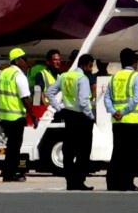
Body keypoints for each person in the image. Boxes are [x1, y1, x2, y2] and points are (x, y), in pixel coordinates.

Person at [47, 54, 96, 190]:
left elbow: (49, 93)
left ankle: (70, 181)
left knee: (69, 150)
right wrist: (91, 117)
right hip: (82, 118)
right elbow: (84, 102)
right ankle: (79, 181)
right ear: (84, 65)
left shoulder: (64, 76)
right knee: (83, 151)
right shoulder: (82, 79)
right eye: (90, 66)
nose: (91, 69)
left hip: (68, 115)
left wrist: (58, 109)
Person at [103, 47, 138, 191]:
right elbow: (136, 99)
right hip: (133, 122)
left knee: (118, 153)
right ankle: (127, 182)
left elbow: (107, 98)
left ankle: (112, 182)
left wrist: (114, 111)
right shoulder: (137, 77)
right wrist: (123, 111)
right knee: (132, 155)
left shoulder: (114, 77)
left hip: (118, 122)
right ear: (134, 62)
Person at [0, 48, 40, 182]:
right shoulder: (19, 76)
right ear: (17, 60)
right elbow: (25, 98)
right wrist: (33, 115)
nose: (26, 62)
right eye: (24, 59)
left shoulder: (4, 73)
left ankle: (6, 171)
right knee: (14, 147)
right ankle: (10, 174)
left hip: (4, 116)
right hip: (15, 116)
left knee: (10, 146)